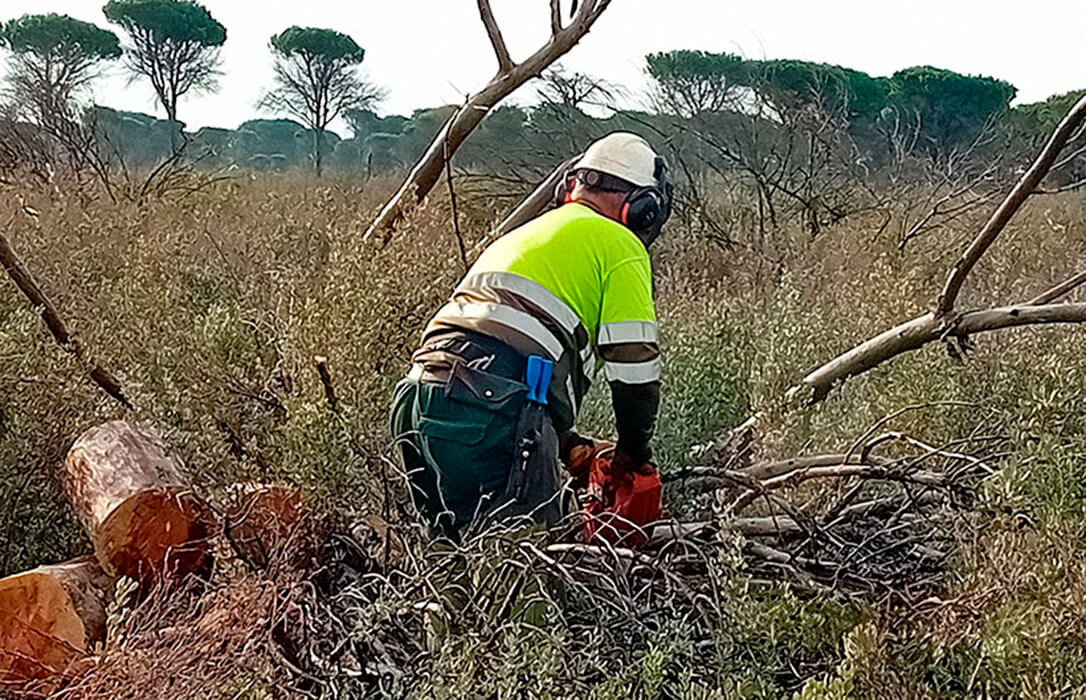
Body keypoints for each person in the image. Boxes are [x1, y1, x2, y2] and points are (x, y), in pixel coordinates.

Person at [390, 132, 673, 538]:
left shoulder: (528, 234)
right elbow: (635, 372)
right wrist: (634, 452)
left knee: (448, 561)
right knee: (524, 568)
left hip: (417, 398)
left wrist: (567, 443)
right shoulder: (620, 244)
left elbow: (510, 357)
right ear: (642, 209)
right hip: (487, 407)